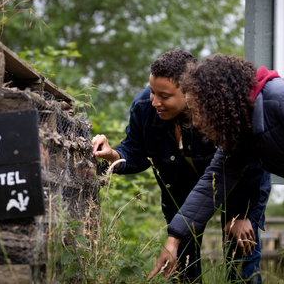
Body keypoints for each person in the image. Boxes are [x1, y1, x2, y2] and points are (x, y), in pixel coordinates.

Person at [159, 53, 284, 283]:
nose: (196, 122)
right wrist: (174, 239)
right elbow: (211, 186)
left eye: (198, 111)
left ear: (220, 102)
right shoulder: (240, 136)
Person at [92, 49, 271, 283]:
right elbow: (135, 152)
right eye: (152, 91)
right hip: (182, 198)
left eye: (164, 96)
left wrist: (245, 214)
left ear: (188, 91)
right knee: (184, 269)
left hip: (237, 191)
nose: (154, 101)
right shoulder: (143, 107)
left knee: (241, 265)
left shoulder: (217, 108)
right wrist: (111, 154)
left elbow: (252, 159)